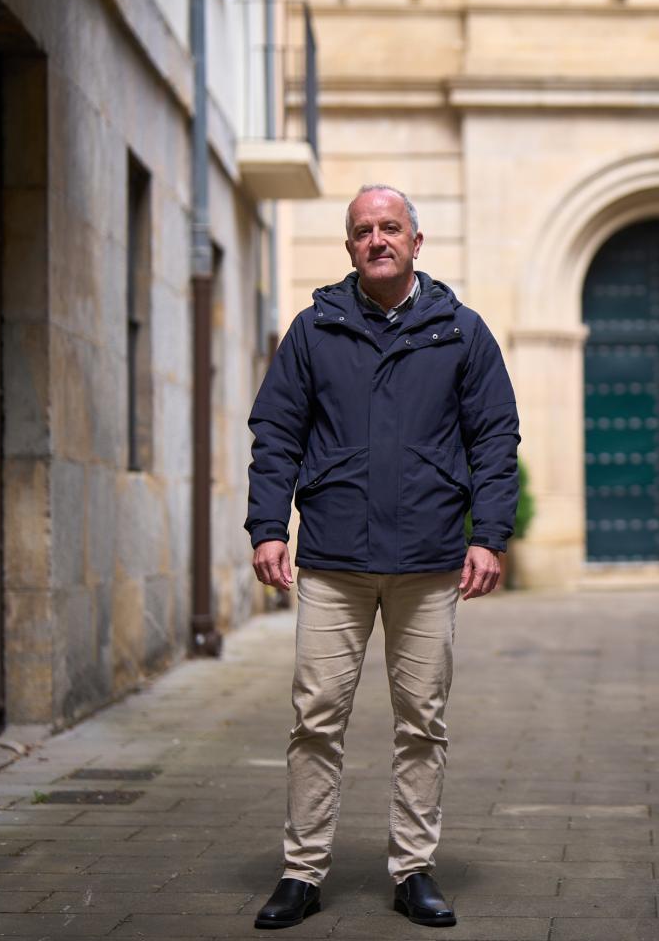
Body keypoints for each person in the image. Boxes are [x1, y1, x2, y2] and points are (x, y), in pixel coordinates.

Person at [245, 184, 520, 930]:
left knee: (421, 721)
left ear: (416, 242)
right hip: (333, 561)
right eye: (363, 230)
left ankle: (413, 870)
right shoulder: (314, 331)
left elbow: (495, 440)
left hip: (430, 562)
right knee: (317, 717)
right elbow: (277, 434)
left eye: (390, 227)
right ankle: (302, 873)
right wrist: (268, 526)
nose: (377, 240)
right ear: (349, 249)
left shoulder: (462, 334)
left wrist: (489, 535)